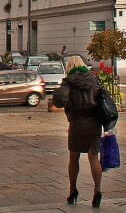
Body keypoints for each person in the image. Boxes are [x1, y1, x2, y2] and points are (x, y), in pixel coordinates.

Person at [51, 56, 103, 208]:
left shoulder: (69, 81)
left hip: (77, 123)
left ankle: (73, 191)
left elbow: (59, 100)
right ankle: (97, 191)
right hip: (94, 123)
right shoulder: (93, 79)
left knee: (74, 158)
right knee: (94, 158)